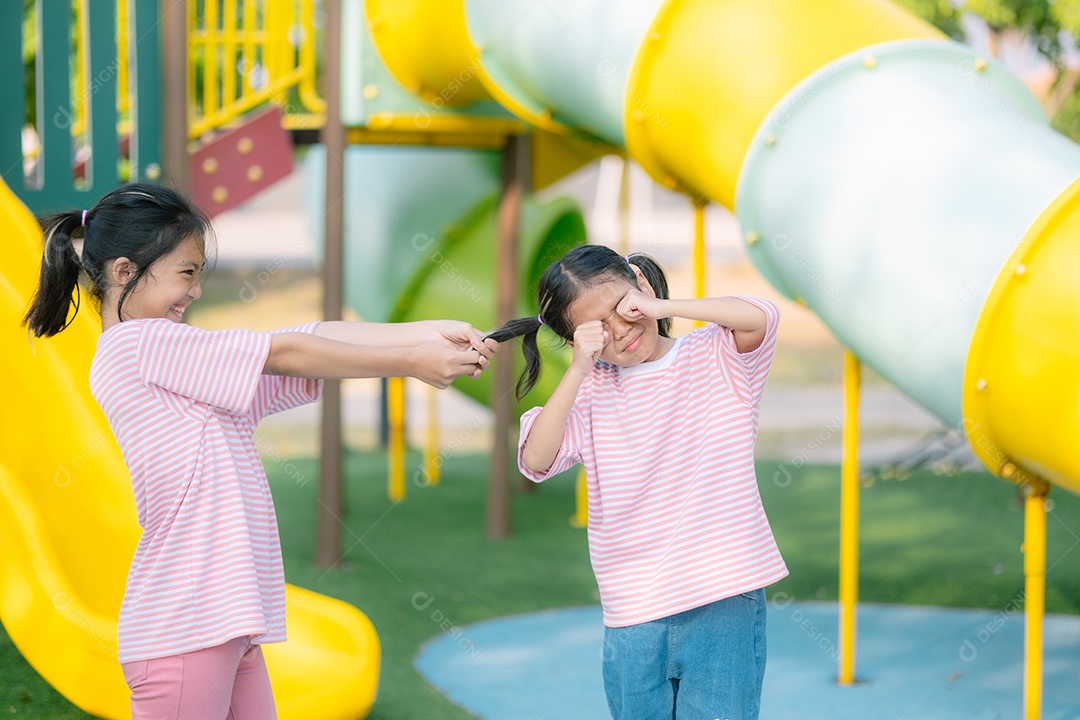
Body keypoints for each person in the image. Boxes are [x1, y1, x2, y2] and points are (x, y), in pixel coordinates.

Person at [23, 183, 497, 720]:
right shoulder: (138, 345)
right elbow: (288, 350)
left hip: (223, 621)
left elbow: (305, 334)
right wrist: (412, 359)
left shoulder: (184, 367)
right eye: (186, 272)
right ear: (125, 272)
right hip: (185, 626)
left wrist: (425, 332)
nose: (197, 290)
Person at [487, 244, 786, 720]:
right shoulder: (590, 391)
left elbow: (761, 315)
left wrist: (662, 307)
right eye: (596, 330)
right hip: (633, 609)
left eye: (622, 308)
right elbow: (535, 460)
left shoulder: (718, 354)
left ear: (641, 287)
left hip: (725, 597)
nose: (621, 331)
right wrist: (580, 368)